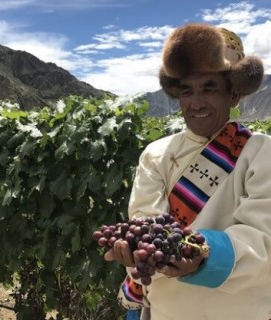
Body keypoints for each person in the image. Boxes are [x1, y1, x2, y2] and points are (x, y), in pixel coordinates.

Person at [104, 23, 271, 320]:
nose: (196, 102)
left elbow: (264, 239)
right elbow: (145, 222)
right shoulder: (156, 155)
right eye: (186, 91)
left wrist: (206, 256)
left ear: (234, 95)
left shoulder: (261, 152)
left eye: (209, 88)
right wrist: (135, 246)